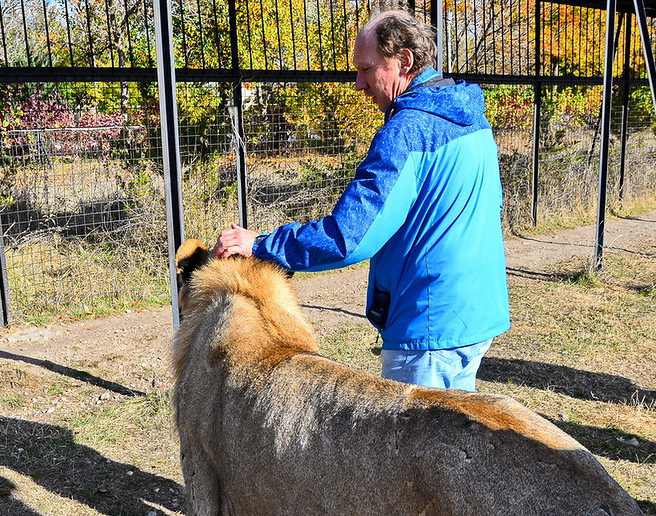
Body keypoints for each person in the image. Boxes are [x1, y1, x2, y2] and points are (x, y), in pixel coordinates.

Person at [213, 10, 510, 391]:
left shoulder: (409, 130)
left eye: (367, 69)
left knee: (413, 447)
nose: (359, 84)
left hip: (429, 328)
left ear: (404, 61)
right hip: (473, 315)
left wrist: (261, 245)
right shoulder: (470, 117)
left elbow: (349, 237)